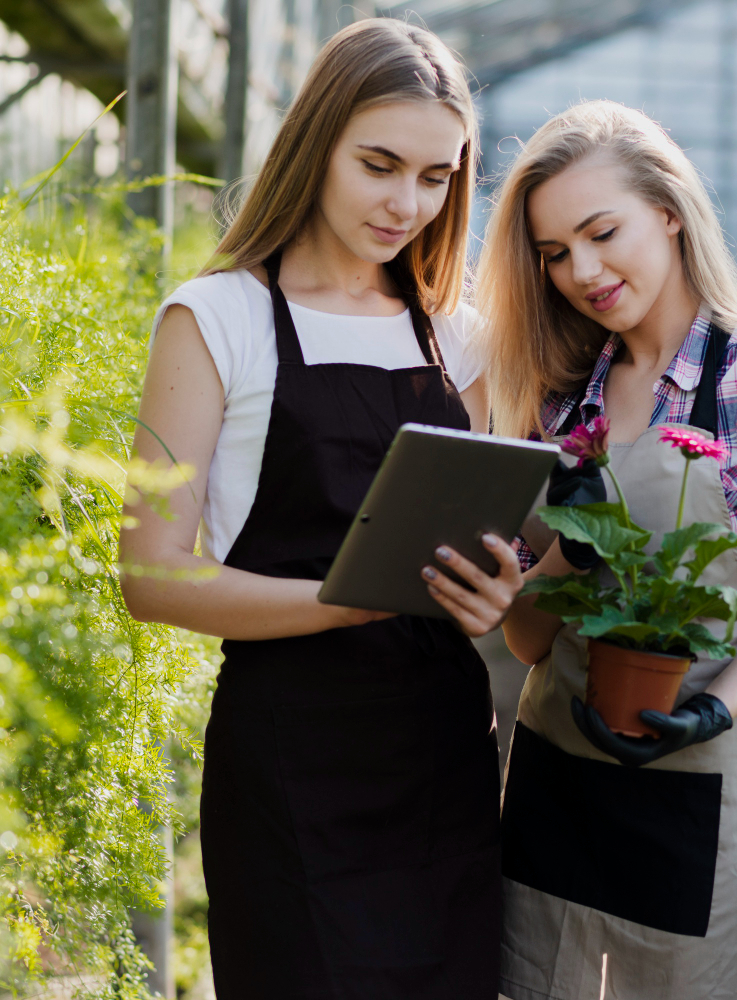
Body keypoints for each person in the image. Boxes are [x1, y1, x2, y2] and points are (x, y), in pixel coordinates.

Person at [119, 19, 522, 1000]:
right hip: (290, 762)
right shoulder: (213, 318)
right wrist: (345, 601)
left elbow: (485, 540)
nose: (406, 203)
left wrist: (497, 586)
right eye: (378, 165)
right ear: (316, 141)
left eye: (435, 178)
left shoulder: (456, 340)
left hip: (438, 759)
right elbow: (152, 575)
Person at [476, 100, 737, 1000]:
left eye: (602, 232)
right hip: (556, 778)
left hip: (697, 782)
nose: (583, 270)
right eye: (555, 253)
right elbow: (533, 645)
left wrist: (711, 711)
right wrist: (562, 559)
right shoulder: (563, 403)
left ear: (669, 211)